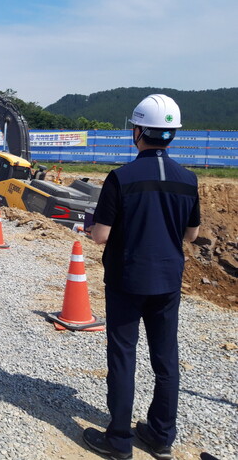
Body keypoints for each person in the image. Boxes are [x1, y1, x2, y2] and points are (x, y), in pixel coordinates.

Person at [83, 94, 200, 460]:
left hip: (127, 279)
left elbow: (101, 235)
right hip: (168, 280)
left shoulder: (121, 178)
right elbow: (192, 234)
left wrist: (93, 228)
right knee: (165, 359)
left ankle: (119, 441)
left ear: (137, 131)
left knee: (123, 355)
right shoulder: (188, 179)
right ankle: (161, 436)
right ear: (172, 134)